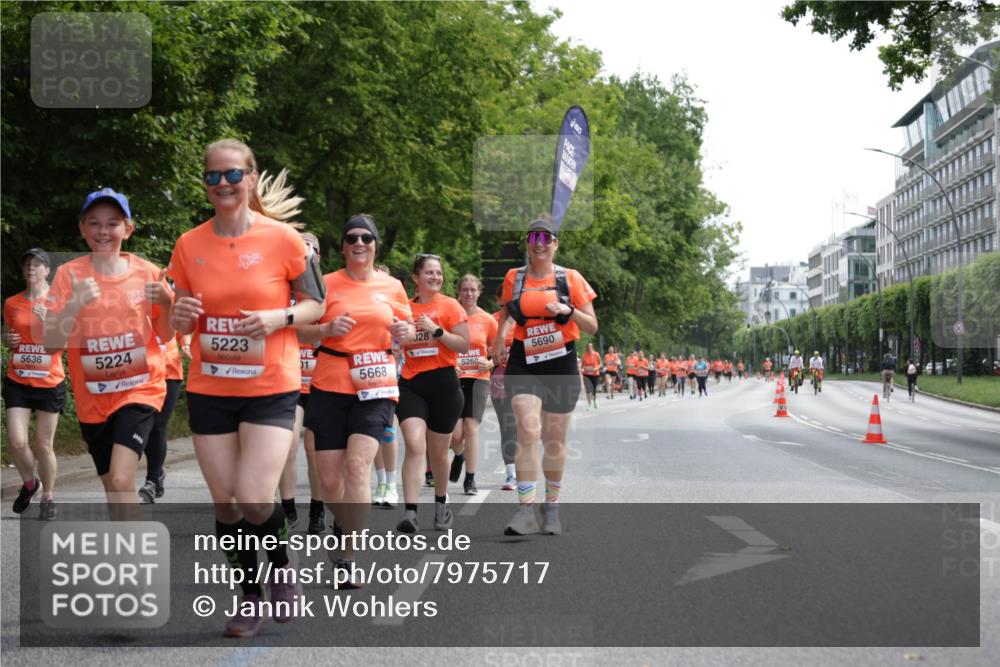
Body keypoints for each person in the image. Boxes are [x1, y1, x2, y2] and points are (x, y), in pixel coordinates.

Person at [168, 140, 325, 637]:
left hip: (270, 385)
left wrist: (277, 317)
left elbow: (315, 305)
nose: (223, 185)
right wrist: (178, 316)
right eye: (212, 177)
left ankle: (280, 568)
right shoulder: (188, 245)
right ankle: (248, 598)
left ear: (251, 178)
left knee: (256, 497)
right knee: (226, 503)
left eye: (232, 175)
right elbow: (175, 319)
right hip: (211, 387)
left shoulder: (285, 240)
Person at [298, 214, 413, 585]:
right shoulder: (325, 284)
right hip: (330, 384)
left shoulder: (392, 286)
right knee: (330, 482)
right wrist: (326, 329)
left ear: (376, 244)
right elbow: (299, 330)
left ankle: (348, 558)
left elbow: (409, 332)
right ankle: (344, 521)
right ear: (343, 246)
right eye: (352, 238)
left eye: (366, 238)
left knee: (358, 467)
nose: (359, 244)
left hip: (376, 385)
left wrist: (404, 331)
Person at [44, 190, 171, 510]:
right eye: (94, 223)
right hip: (93, 402)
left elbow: (166, 334)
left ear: (128, 229)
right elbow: (51, 343)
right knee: (114, 490)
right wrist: (74, 305)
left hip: (140, 390)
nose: (103, 231)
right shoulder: (67, 274)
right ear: (82, 228)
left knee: (119, 479)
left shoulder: (147, 272)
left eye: (112, 223)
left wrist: (168, 303)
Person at [494, 215, 598, 536]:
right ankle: (525, 511)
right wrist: (499, 338)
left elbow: (591, 325)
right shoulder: (515, 277)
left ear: (555, 244)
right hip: (524, 360)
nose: (539, 244)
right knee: (527, 429)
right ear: (527, 243)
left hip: (560, 362)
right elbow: (507, 313)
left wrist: (569, 311)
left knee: (554, 441)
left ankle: (551, 508)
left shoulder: (571, 278)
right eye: (533, 238)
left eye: (546, 239)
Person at [395, 254, 469, 533]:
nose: (435, 277)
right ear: (416, 278)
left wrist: (437, 331)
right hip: (412, 383)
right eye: (429, 273)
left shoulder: (450, 306)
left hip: (444, 385)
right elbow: (393, 341)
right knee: (415, 444)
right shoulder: (404, 309)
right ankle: (411, 513)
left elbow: (463, 344)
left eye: (438, 273)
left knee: (439, 453)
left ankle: (441, 504)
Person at [4, 248, 65, 519]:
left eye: (37, 264)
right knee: (17, 442)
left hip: (49, 381)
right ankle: (30, 484)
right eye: (27, 264)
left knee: (43, 445)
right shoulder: (11, 302)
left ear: (47, 270)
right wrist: (7, 340)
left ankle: (48, 497)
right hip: (18, 379)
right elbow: (8, 333)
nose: (31, 268)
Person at [278, 231, 328, 532]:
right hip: (290, 381)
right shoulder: (282, 290)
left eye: (313, 248)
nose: (307, 251)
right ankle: (288, 508)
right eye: (301, 247)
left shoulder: (329, 288)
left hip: (322, 383)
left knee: (315, 450)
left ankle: (317, 511)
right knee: (288, 447)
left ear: (319, 256)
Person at [449, 274, 497, 495]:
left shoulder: (488, 320)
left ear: (479, 292)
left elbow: (500, 355)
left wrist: (487, 363)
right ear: (459, 291)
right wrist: (450, 364)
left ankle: (470, 479)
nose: (468, 293)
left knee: (471, 428)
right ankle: (459, 455)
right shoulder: (450, 316)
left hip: (478, 379)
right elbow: (441, 346)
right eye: (465, 289)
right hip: (455, 378)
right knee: (455, 435)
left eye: (472, 290)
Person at [138, 330, 188, 504]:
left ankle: (152, 480)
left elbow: (183, 329)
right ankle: (157, 472)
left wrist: (187, 344)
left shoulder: (172, 302)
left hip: (169, 370)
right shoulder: (131, 302)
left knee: (159, 425)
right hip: (141, 370)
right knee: (143, 425)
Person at [490, 285, 518, 491]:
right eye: (505, 298)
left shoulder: (526, 320)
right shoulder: (492, 320)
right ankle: (511, 474)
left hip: (525, 378)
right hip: (500, 377)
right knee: (507, 427)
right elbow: (484, 349)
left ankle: (525, 470)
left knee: (526, 427)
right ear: (499, 299)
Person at [581, 342, 601, 410]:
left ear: (592, 348)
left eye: (590, 347)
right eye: (588, 348)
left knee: (593, 390)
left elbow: (600, 364)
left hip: (595, 374)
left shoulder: (596, 354)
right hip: (586, 374)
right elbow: (582, 365)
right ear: (586, 348)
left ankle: (595, 401)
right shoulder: (584, 355)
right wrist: (584, 368)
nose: (589, 349)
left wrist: (596, 368)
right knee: (588, 390)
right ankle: (589, 405)